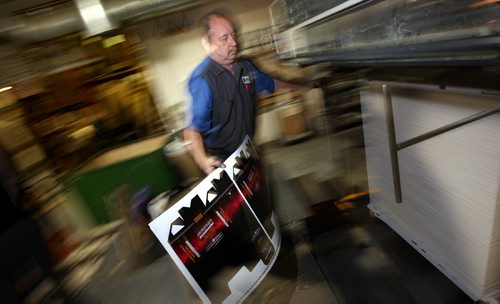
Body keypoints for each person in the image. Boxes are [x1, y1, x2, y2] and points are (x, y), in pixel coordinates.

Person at [184, 10, 312, 174]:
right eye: (224, 38)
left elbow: (271, 83)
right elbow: (192, 130)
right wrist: (203, 161)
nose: (233, 42)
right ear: (207, 43)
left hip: (249, 150)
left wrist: (302, 86)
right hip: (223, 163)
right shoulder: (203, 80)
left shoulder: (245, 66)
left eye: (233, 35)